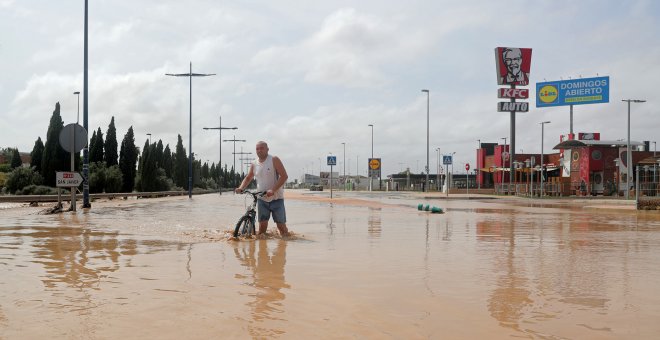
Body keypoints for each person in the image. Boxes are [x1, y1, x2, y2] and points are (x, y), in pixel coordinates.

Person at [235, 141, 290, 237]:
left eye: (262, 148)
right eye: (257, 148)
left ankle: (283, 247)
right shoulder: (254, 163)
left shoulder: (274, 159)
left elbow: (284, 176)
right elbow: (248, 178)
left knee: (281, 227)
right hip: (261, 198)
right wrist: (241, 188)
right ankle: (262, 250)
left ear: (267, 149)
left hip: (276, 198)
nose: (259, 150)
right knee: (262, 230)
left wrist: (273, 190)